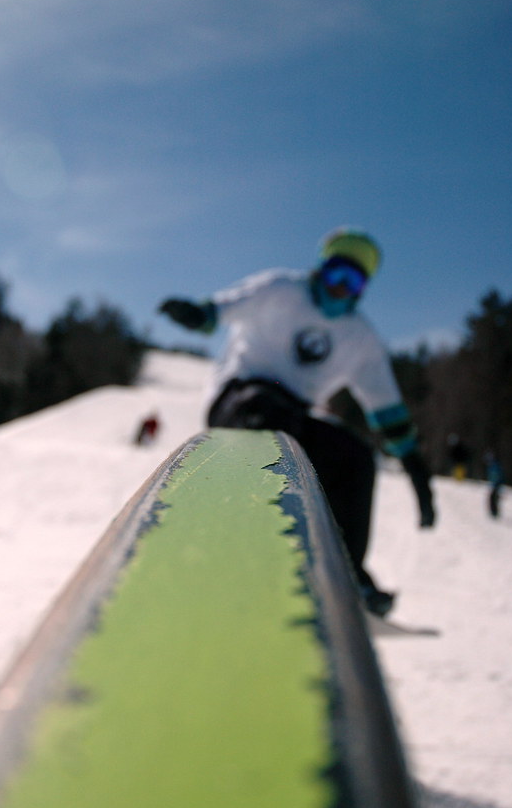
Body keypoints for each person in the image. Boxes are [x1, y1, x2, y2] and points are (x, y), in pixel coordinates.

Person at [158, 227, 436, 617]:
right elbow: (223, 308)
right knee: (265, 410)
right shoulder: (280, 290)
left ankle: (347, 574)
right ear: (321, 269)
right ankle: (226, 540)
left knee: (355, 457)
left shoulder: (359, 338)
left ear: (362, 289)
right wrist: (197, 314)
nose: (340, 287)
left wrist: (416, 468)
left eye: (352, 281)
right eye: (337, 273)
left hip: (295, 419)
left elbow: (385, 406)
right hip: (240, 397)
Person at [484, 451, 504, 518]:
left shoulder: (495, 465)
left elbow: (497, 476)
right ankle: (494, 512)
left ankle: (494, 513)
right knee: (492, 497)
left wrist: (496, 483)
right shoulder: (492, 465)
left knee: (493, 498)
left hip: (497, 485)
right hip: (495, 484)